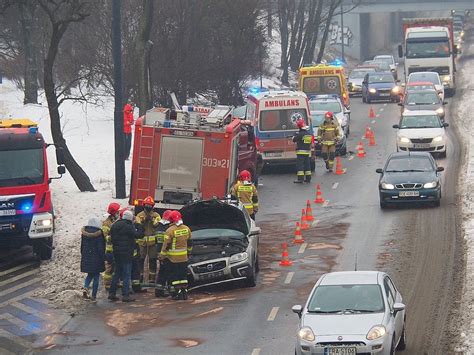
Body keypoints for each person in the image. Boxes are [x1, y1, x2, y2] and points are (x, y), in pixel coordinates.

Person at [108, 210, 142, 302]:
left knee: (117, 273)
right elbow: (138, 235)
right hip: (127, 254)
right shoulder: (128, 226)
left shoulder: (115, 225)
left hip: (117, 252)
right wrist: (138, 224)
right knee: (127, 273)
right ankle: (125, 295)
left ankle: (112, 293)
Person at [160, 211, 192, 300]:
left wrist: (162, 256)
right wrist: (188, 252)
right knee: (183, 276)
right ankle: (184, 293)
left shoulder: (169, 231)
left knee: (175, 277)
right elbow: (190, 243)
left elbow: (165, 245)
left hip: (173, 259)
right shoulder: (187, 229)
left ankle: (177, 293)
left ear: (171, 219)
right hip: (184, 258)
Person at [135, 196, 161, 285]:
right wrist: (144, 221)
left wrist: (151, 219)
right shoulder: (139, 215)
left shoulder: (156, 215)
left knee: (153, 261)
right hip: (142, 243)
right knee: (140, 260)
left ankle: (152, 279)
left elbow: (157, 224)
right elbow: (138, 225)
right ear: (144, 205)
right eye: (147, 205)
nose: (148, 207)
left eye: (150, 205)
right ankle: (140, 277)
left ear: (153, 206)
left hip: (153, 243)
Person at [81, 217, 105, 302]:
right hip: (96, 258)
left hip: (87, 256)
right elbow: (100, 248)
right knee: (96, 276)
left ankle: (85, 287)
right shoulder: (99, 234)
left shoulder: (84, 233)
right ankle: (93, 296)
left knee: (90, 274)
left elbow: (82, 246)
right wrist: (103, 257)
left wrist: (83, 255)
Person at [101, 202, 120, 291]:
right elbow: (105, 237)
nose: (118, 214)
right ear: (113, 213)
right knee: (109, 268)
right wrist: (115, 236)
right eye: (117, 212)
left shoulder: (116, 221)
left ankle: (115, 282)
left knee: (116, 267)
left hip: (117, 249)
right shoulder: (106, 224)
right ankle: (108, 285)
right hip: (109, 250)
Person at [154, 210, 172, 297]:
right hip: (166, 253)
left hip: (159, 252)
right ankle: (168, 290)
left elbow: (156, 240)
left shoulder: (158, 227)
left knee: (161, 271)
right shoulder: (168, 228)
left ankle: (159, 290)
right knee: (168, 271)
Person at [292, 118, 313, 183]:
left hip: (300, 152)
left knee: (300, 165)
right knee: (307, 165)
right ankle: (308, 178)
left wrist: (294, 135)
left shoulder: (300, 134)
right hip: (307, 152)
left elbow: (294, 139)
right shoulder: (309, 134)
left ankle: (300, 179)